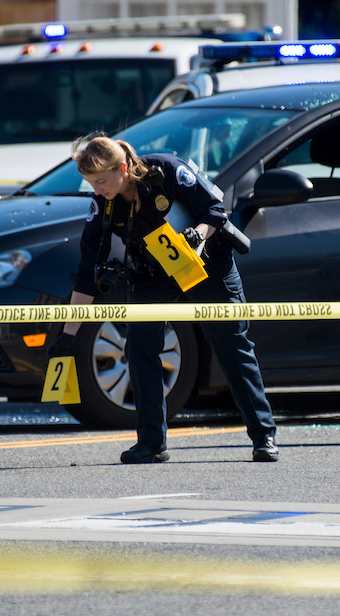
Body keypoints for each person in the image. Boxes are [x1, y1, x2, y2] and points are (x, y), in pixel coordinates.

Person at [47, 134, 278, 464]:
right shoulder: (104, 204)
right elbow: (86, 273)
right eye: (90, 184)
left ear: (123, 168)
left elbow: (214, 210)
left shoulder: (167, 171)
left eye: (101, 181)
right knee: (139, 347)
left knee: (231, 344)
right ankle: (152, 443)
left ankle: (263, 436)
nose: (96, 190)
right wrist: (69, 334)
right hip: (154, 273)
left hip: (206, 263)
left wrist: (197, 234)